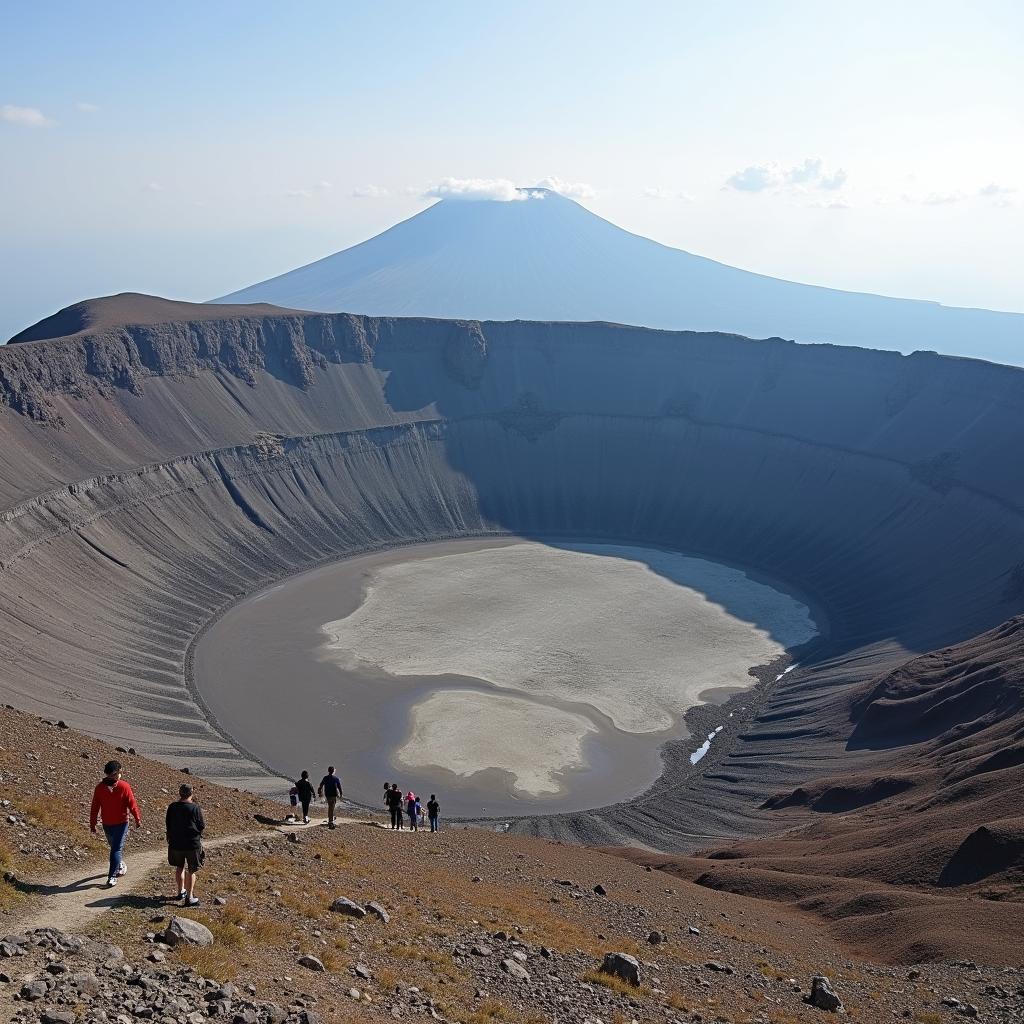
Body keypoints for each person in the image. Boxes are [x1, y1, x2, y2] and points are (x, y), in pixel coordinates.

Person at [89, 760, 141, 888]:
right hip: (107, 823)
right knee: (114, 847)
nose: (120, 774)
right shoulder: (102, 788)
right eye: (119, 772)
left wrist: (137, 818)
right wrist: (93, 823)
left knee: (116, 849)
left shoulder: (123, 786)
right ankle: (120, 865)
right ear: (114, 774)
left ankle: (112, 876)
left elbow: (131, 804)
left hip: (121, 823)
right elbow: (95, 807)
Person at [166, 783, 205, 906]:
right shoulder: (195, 808)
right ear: (191, 794)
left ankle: (180, 891)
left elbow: (168, 823)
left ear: (180, 793)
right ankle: (190, 896)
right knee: (192, 870)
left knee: (179, 867)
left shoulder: (172, 807)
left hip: (176, 843)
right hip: (192, 844)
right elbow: (201, 825)